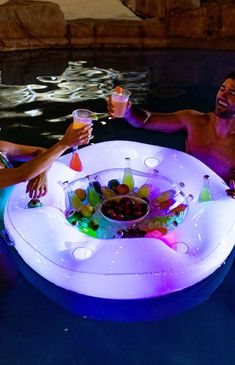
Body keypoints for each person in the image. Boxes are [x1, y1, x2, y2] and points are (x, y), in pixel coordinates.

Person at [108, 72, 235, 197]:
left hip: (218, 202)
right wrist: (128, 111)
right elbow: (146, 120)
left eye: (232, 93)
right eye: (222, 89)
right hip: (186, 194)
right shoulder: (194, 121)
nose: (222, 96)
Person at [0, 122, 92, 201]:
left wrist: (41, 173)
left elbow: (41, 152)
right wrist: (65, 143)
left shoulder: (1, 147)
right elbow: (22, 175)